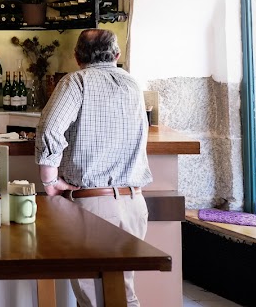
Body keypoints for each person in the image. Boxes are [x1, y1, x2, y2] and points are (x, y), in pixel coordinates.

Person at [35, 29, 152, 307]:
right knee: (121, 292)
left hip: (94, 206)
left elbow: (49, 129)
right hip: (134, 203)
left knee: (95, 299)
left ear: (77, 57)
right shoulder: (133, 84)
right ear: (117, 55)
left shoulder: (76, 82)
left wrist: (50, 180)